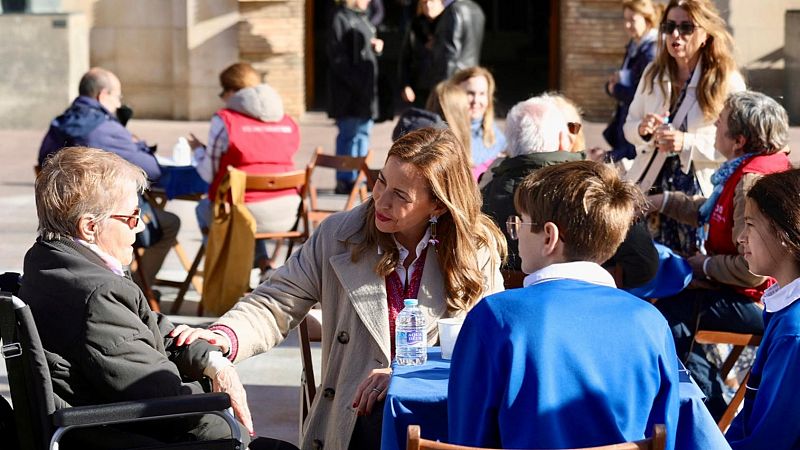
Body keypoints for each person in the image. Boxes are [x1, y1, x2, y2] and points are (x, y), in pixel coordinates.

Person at [174, 128, 506, 450]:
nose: (381, 200)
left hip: (439, 416)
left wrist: (405, 375)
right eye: (380, 181)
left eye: (400, 195)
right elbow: (276, 301)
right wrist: (228, 335)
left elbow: (486, 345)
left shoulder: (474, 249)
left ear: (437, 206)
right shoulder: (338, 234)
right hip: (355, 419)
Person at [18, 147, 296, 449]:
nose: (140, 227)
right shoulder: (97, 292)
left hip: (101, 429)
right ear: (89, 226)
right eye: (132, 216)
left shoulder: (49, 261)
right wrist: (221, 401)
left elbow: (154, 326)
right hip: (126, 437)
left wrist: (213, 361)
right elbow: (165, 401)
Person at [449, 160, 679, 449]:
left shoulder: (495, 317)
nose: (516, 232)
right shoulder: (651, 322)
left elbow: (466, 438)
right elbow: (666, 435)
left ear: (549, 237)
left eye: (521, 221)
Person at [647, 91, 791, 419]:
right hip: (749, 292)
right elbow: (712, 211)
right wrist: (662, 201)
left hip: (759, 300)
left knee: (667, 318)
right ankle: (708, 411)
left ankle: (710, 418)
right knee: (675, 306)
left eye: (721, 121)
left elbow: (752, 270)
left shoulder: (752, 182)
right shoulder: (744, 171)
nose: (714, 123)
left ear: (739, 140)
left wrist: (706, 266)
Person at [481, 95, 658, 289]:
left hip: (505, 302)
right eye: (572, 128)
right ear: (563, 140)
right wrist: (599, 280)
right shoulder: (591, 192)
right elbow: (645, 264)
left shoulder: (483, 193)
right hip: (587, 306)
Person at [37, 67, 180, 293]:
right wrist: (138, 146)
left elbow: (42, 163)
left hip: (57, 222)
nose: (119, 105)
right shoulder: (104, 127)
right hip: (96, 219)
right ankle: (138, 290)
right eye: (118, 97)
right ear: (103, 95)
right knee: (168, 223)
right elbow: (152, 170)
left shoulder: (60, 122)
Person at [623, 0, 746, 255]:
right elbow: (629, 127)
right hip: (651, 183)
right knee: (649, 268)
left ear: (705, 34)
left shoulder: (726, 79)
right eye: (669, 27)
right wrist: (644, 130)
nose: (675, 35)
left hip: (697, 194)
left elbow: (741, 142)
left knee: (693, 270)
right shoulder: (653, 73)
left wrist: (685, 142)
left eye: (686, 27)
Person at [190, 62, 301, 275]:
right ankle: (264, 265)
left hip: (242, 213)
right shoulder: (288, 121)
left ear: (232, 91)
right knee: (248, 212)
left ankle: (226, 274)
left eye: (223, 92)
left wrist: (198, 151)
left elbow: (208, 173)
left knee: (205, 208)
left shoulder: (225, 120)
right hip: (288, 214)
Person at [726, 169, 800, 450]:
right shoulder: (785, 311)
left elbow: (770, 441)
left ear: (783, 231)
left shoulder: (794, 333)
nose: (740, 238)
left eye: (749, 224)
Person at [327, 0, 384, 194]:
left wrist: (377, 48)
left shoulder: (363, 18)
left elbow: (363, 50)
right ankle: (349, 181)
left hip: (365, 90)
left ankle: (355, 178)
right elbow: (338, 59)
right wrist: (357, 84)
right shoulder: (340, 19)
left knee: (359, 135)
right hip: (351, 92)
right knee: (353, 135)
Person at [603, 0, 660, 163]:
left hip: (639, 127)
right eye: (625, 19)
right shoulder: (635, 46)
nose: (627, 25)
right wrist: (612, 85)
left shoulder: (651, 52)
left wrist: (616, 89)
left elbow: (642, 95)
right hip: (627, 124)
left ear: (647, 19)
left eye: (632, 20)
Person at [451, 66, 506, 179]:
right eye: (470, 93)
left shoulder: (494, 133)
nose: (476, 101)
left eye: (482, 94)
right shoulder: (446, 132)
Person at [398, 0, 445, 107]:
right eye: (424, 2)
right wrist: (405, 84)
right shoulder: (415, 25)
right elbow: (406, 57)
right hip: (421, 86)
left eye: (432, 1)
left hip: (444, 87)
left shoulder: (449, 24)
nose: (428, 5)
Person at [429, 0, 485, 84]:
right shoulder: (477, 9)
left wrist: (444, 85)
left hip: (455, 77)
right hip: (471, 73)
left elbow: (450, 52)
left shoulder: (453, 10)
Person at [425, 81, 472, 161]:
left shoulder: (423, 135)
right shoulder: (445, 148)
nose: (469, 109)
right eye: (466, 107)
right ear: (458, 112)